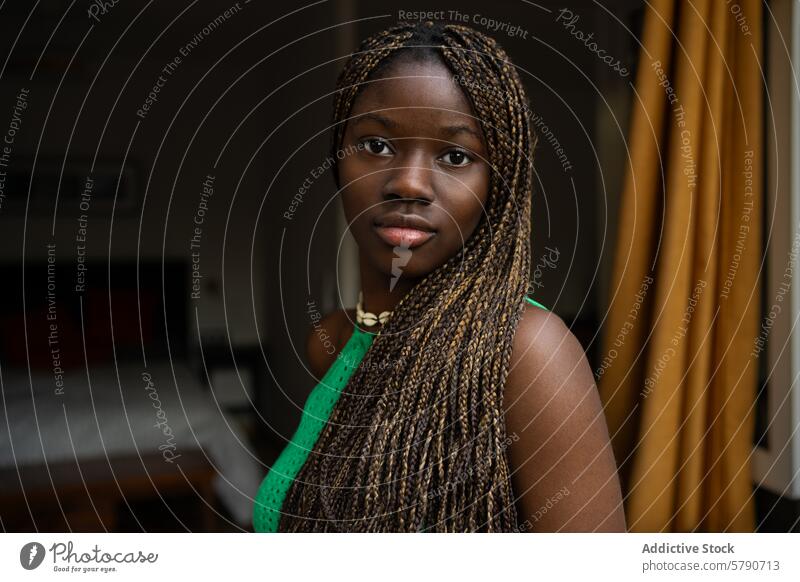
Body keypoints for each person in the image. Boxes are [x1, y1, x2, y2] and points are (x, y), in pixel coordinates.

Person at [253, 21, 626, 532]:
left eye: (456, 156)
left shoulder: (527, 352)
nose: (408, 181)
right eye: (377, 145)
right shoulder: (332, 341)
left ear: (498, 183)